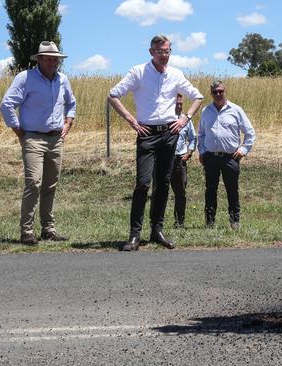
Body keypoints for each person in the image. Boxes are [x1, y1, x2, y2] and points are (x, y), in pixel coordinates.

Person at [108, 35, 203, 251]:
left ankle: (157, 230)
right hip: (147, 134)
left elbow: (198, 97)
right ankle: (134, 235)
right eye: (160, 51)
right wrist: (132, 121)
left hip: (169, 133)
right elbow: (113, 95)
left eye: (167, 51)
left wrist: (185, 118)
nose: (164, 55)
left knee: (163, 183)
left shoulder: (176, 74)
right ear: (151, 52)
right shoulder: (138, 72)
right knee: (143, 183)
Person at [0, 41, 76, 245]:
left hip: (55, 138)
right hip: (32, 136)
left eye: (56, 59)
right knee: (33, 182)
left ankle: (48, 230)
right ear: (39, 59)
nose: (53, 63)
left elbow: (71, 103)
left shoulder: (63, 80)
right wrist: (18, 131)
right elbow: (7, 104)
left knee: (50, 185)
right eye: (49, 59)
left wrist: (68, 123)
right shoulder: (25, 78)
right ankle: (26, 231)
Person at [198, 80, 256, 229]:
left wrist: (243, 150)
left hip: (231, 158)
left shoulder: (236, 110)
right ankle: (209, 222)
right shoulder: (206, 111)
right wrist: (202, 151)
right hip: (211, 157)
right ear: (211, 94)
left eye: (221, 91)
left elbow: (250, 133)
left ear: (225, 91)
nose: (218, 94)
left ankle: (234, 221)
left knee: (232, 190)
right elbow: (202, 134)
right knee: (210, 190)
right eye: (215, 92)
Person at [169, 94, 196, 229]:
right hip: (164, 161)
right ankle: (157, 224)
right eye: (176, 103)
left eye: (181, 104)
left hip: (180, 160)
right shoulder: (163, 119)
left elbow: (193, 138)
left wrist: (189, 152)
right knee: (159, 192)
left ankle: (179, 222)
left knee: (180, 193)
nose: (179, 106)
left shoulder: (186, 120)